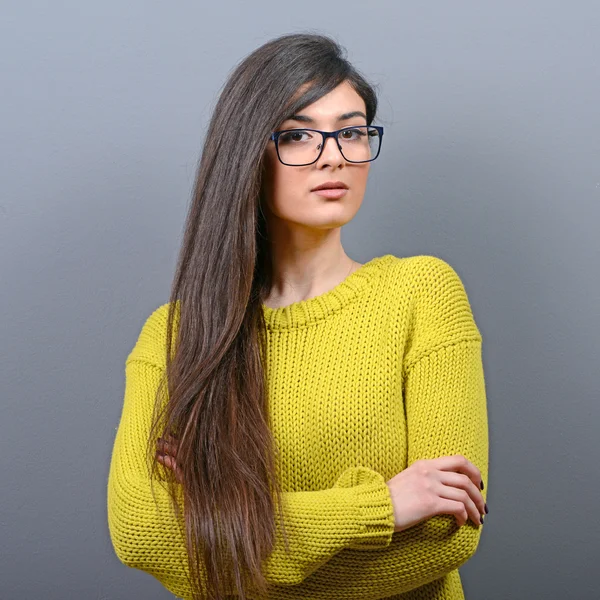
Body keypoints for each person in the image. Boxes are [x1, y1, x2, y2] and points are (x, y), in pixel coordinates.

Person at [107, 32, 489, 600]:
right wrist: (379, 506)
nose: (334, 154)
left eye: (352, 131)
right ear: (247, 154)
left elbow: (445, 540)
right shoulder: (178, 334)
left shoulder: (422, 294)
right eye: (299, 134)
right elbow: (141, 531)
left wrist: (223, 533)